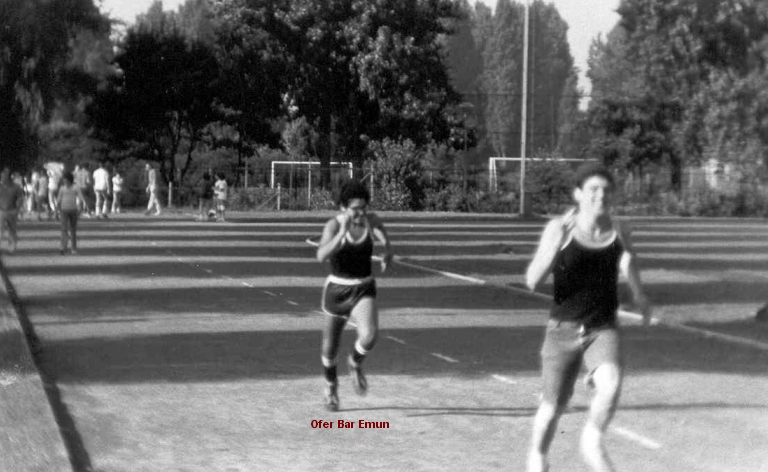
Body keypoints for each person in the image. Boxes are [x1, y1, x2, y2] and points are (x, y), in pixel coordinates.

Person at [524, 162, 652, 472]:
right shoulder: (561, 228)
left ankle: (592, 438)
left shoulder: (619, 229)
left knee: (611, 382)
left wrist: (640, 295)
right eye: (593, 189)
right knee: (552, 409)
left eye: (606, 190)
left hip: (601, 327)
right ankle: (537, 456)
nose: (600, 196)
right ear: (578, 194)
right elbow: (531, 280)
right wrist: (555, 246)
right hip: (561, 330)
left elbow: (628, 260)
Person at [316, 180, 393, 412]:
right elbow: (321, 255)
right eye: (355, 208)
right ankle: (330, 387)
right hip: (337, 290)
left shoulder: (371, 220)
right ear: (343, 207)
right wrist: (341, 234)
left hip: (363, 287)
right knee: (329, 349)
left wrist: (388, 251)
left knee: (369, 336)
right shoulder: (333, 225)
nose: (360, 212)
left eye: (363, 207)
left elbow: (383, 235)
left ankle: (355, 362)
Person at [57, 171, 85, 255]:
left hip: (73, 210)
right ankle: (63, 247)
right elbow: (58, 200)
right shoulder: (62, 188)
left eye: (65, 180)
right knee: (64, 230)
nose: (64, 181)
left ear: (69, 180)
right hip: (63, 210)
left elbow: (80, 199)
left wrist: (80, 208)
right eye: (63, 180)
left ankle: (73, 248)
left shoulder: (75, 187)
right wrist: (56, 211)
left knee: (73, 230)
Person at [0, 168, 25, 253]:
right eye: (2, 175)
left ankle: (12, 248)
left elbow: (21, 198)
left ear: (8, 177)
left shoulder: (16, 187)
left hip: (12, 211)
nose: (2, 177)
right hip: (1, 211)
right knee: (0, 230)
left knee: (12, 231)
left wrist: (18, 209)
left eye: (4, 175)